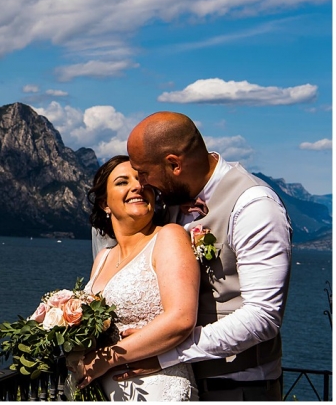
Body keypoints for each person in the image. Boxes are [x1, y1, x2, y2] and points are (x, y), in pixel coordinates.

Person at [122, 111, 292, 401]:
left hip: (237, 387)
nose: (142, 183)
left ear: (174, 164)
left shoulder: (254, 206)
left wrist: (166, 353)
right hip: (181, 385)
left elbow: (263, 316)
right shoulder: (171, 204)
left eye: (144, 172)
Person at [67, 155, 201, 401]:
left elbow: (181, 319)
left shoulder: (168, 237)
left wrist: (104, 359)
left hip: (159, 388)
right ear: (104, 203)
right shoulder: (103, 259)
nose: (137, 186)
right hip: (111, 391)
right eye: (122, 182)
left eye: (143, 181)